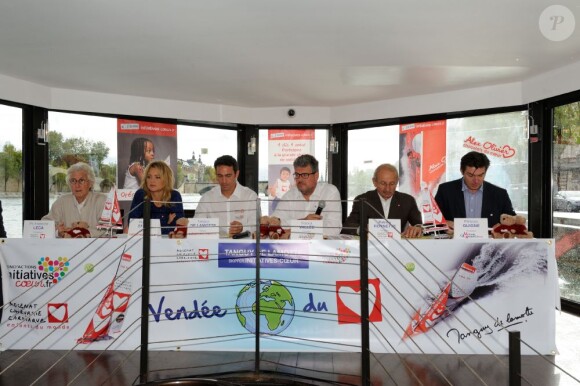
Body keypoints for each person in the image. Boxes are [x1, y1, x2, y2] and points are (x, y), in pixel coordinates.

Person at [434, 151, 515, 230]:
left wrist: (503, 227)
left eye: (480, 175)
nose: (476, 180)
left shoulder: (500, 194)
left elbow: (514, 222)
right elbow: (432, 222)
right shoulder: (445, 191)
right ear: (462, 171)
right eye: (470, 175)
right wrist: (444, 225)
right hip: (454, 242)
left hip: (489, 243)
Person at [342, 164, 423, 238]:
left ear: (397, 182)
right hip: (370, 249)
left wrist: (418, 228)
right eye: (383, 183)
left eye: (392, 184)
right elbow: (347, 227)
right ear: (374, 182)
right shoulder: (363, 200)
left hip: (398, 249)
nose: (387, 189)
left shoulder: (407, 201)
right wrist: (362, 231)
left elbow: (420, 225)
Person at [271, 154, 342, 237]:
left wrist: (296, 228)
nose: (299, 179)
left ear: (316, 176)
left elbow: (334, 228)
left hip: (322, 247)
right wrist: (304, 222)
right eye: (297, 175)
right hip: (293, 248)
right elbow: (275, 223)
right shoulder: (289, 196)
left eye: (304, 175)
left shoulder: (330, 192)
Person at [194, 155, 258, 237]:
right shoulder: (207, 198)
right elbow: (197, 225)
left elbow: (256, 226)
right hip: (214, 246)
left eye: (228, 176)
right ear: (216, 175)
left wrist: (243, 228)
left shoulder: (250, 197)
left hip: (243, 246)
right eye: (220, 176)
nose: (224, 181)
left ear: (236, 174)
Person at [42, 162, 107, 237]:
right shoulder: (61, 201)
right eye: (73, 181)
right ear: (69, 184)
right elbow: (45, 224)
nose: (77, 185)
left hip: (96, 247)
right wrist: (57, 232)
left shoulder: (102, 200)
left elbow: (108, 228)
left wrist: (82, 232)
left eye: (81, 180)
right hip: (67, 247)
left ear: (90, 183)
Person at [127, 160, 186, 236]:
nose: (152, 181)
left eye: (157, 177)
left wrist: (154, 227)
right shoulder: (141, 194)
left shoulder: (174, 196)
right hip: (143, 244)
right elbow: (133, 226)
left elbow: (178, 228)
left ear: (166, 179)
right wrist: (167, 223)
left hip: (169, 245)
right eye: (149, 177)